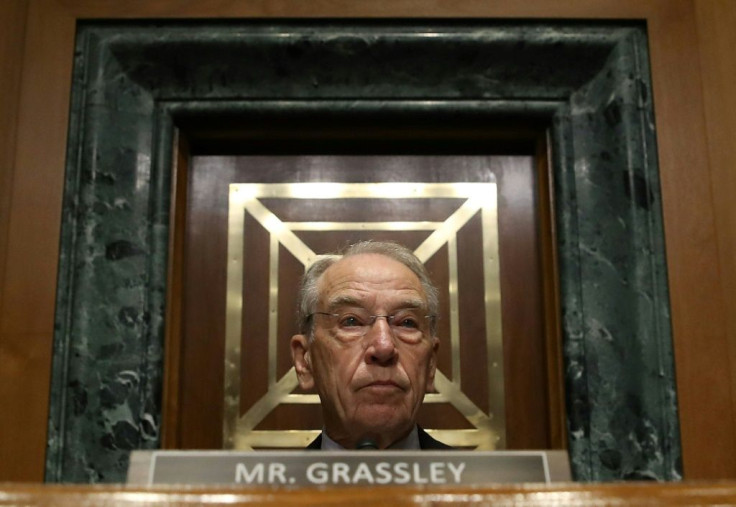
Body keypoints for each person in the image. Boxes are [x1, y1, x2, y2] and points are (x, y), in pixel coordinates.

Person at [290, 240, 451, 450]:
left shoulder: (486, 483)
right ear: (304, 361)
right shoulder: (267, 484)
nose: (384, 347)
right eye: (351, 321)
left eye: (407, 322)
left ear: (430, 365)